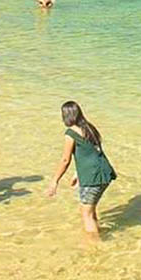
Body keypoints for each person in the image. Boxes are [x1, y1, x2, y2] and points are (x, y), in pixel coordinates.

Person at [45, 100, 117, 240]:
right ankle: (99, 236)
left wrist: (54, 181)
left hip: (93, 177)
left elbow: (65, 160)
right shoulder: (89, 128)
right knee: (90, 210)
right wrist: (77, 173)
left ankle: (94, 248)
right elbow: (94, 151)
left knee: (86, 215)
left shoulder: (70, 133)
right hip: (105, 172)